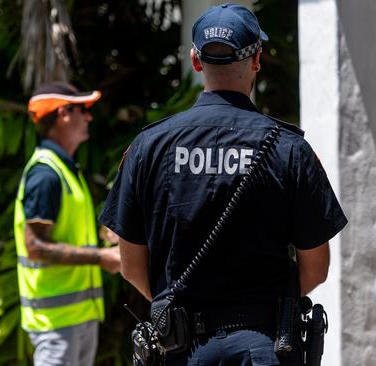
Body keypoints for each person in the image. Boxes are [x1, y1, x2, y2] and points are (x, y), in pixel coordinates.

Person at [99, 3, 347, 365]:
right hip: (264, 347)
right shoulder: (290, 149)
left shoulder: (148, 147)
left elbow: (131, 266)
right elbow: (316, 268)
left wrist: (178, 309)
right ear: (257, 59)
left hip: (179, 350)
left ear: (196, 61)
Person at [14, 82, 122, 366]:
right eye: (83, 110)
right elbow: (35, 246)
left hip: (77, 317)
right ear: (63, 113)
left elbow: (67, 229)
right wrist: (101, 257)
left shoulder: (65, 169)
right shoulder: (46, 174)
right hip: (55, 323)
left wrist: (104, 234)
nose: (89, 117)